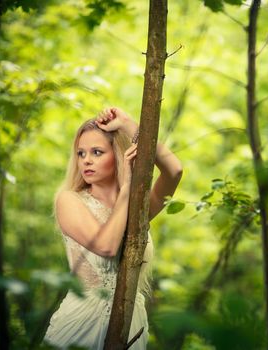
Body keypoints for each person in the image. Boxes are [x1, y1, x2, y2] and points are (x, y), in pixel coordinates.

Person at [43, 107, 183, 349]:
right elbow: (106, 246)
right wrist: (128, 186)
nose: (86, 160)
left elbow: (174, 171)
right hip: (81, 323)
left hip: (131, 321)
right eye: (81, 153)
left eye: (96, 152)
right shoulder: (69, 200)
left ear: (118, 154)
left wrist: (129, 125)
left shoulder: (138, 209)